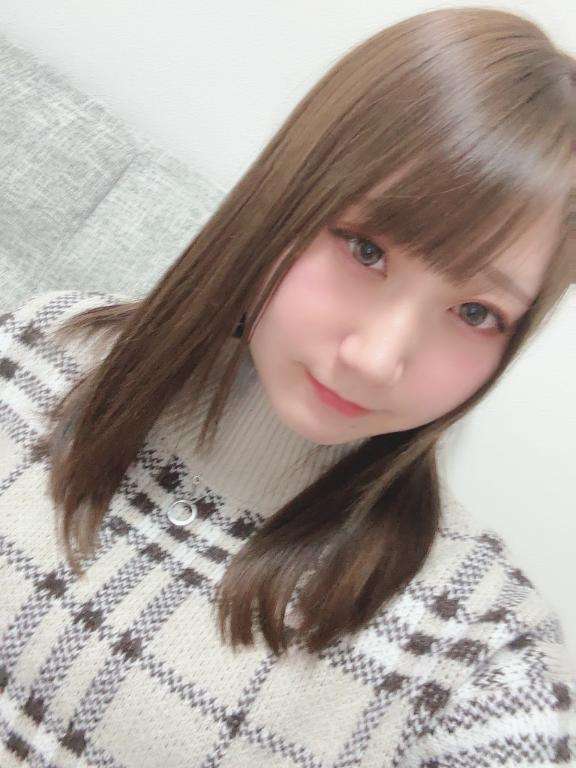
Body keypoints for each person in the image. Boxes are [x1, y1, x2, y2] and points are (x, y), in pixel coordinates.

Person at [1, 6, 575, 767]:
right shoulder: (36, 350)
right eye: (365, 249)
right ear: (283, 201)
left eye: (477, 313)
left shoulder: (477, 658)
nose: (376, 359)